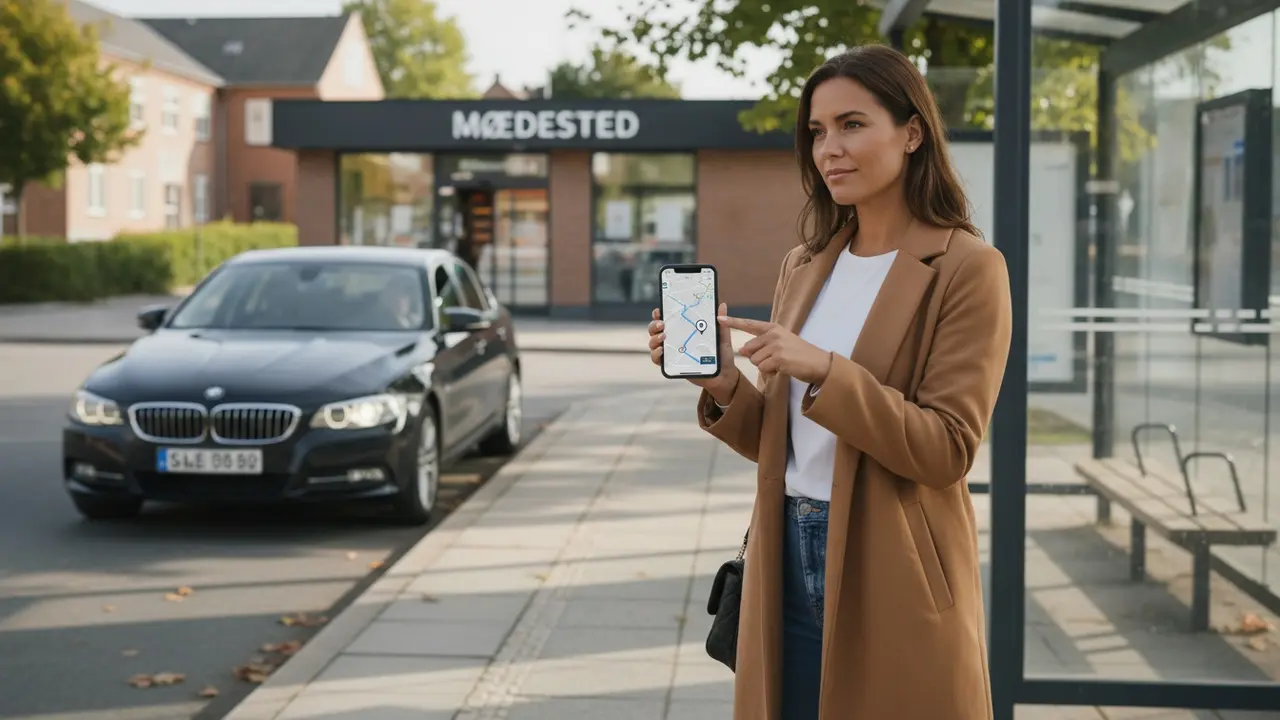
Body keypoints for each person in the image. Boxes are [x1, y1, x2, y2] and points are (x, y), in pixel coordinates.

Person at [647, 44, 1011, 720]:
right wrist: (728, 385)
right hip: (783, 551)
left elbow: (947, 448)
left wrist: (826, 369)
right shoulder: (806, 262)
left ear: (911, 132)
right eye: (817, 131)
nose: (829, 149)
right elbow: (784, 444)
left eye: (852, 125)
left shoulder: (968, 267)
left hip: (890, 563)